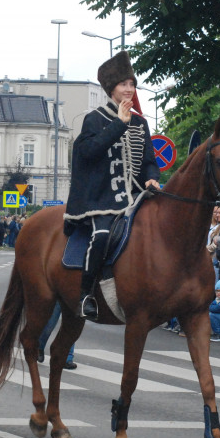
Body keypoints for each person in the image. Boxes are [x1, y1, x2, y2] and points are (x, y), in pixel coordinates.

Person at [63, 52, 159, 320]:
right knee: (102, 234)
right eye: (123, 85)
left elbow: (150, 161)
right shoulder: (94, 119)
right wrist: (119, 124)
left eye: (132, 85)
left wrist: (153, 177)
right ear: (111, 89)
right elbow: (89, 152)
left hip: (137, 196)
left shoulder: (141, 122)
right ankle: (86, 294)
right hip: (102, 198)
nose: (129, 90)